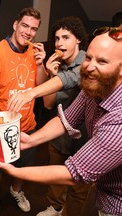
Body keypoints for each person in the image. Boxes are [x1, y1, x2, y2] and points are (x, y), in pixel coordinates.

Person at [0, 27, 122, 216]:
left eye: (102, 61)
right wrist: (31, 140)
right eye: (89, 58)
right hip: (102, 189)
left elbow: (73, 174)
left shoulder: (119, 121)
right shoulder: (94, 86)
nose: (90, 66)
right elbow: (65, 120)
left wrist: (14, 171)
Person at [0, 7, 47, 216]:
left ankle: (17, 191)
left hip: (28, 124)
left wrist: (40, 64)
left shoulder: (34, 52)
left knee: (23, 166)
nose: (28, 32)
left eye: (33, 28)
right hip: (2, 124)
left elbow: (41, 87)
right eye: (25, 25)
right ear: (15, 25)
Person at [32, 16, 90, 216]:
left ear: (78, 40)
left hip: (84, 139)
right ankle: (55, 207)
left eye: (66, 37)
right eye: (57, 38)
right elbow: (48, 104)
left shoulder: (88, 63)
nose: (59, 43)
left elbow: (72, 80)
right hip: (58, 135)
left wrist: (29, 93)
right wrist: (49, 73)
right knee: (55, 176)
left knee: (79, 187)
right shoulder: (58, 64)